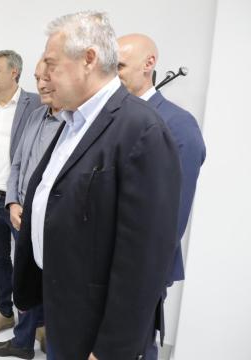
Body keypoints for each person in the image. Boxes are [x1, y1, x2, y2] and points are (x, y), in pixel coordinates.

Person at [12, 11, 182, 359]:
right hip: (62, 305)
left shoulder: (141, 130)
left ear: (88, 59)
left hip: (96, 327)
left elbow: (144, 260)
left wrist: (110, 350)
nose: (44, 76)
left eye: (52, 64)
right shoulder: (73, 121)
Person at [117, 33, 207, 359]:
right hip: (102, 265)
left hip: (140, 269)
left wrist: (141, 275)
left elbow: (172, 217)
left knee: (135, 347)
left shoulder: (178, 125)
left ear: (149, 64)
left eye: (122, 65)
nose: (114, 73)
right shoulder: (111, 119)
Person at [0, 58, 62, 359]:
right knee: (24, 276)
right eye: (37, 77)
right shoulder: (36, 116)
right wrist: (14, 201)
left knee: (51, 278)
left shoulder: (73, 123)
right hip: (20, 210)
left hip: (51, 216)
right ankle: (22, 340)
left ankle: (49, 336)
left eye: (48, 77)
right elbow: (17, 162)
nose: (41, 83)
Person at [0, 50, 41, 337]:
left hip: (21, 201)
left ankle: (38, 323)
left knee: (30, 264)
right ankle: (4, 312)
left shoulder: (35, 104)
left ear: (14, 72)